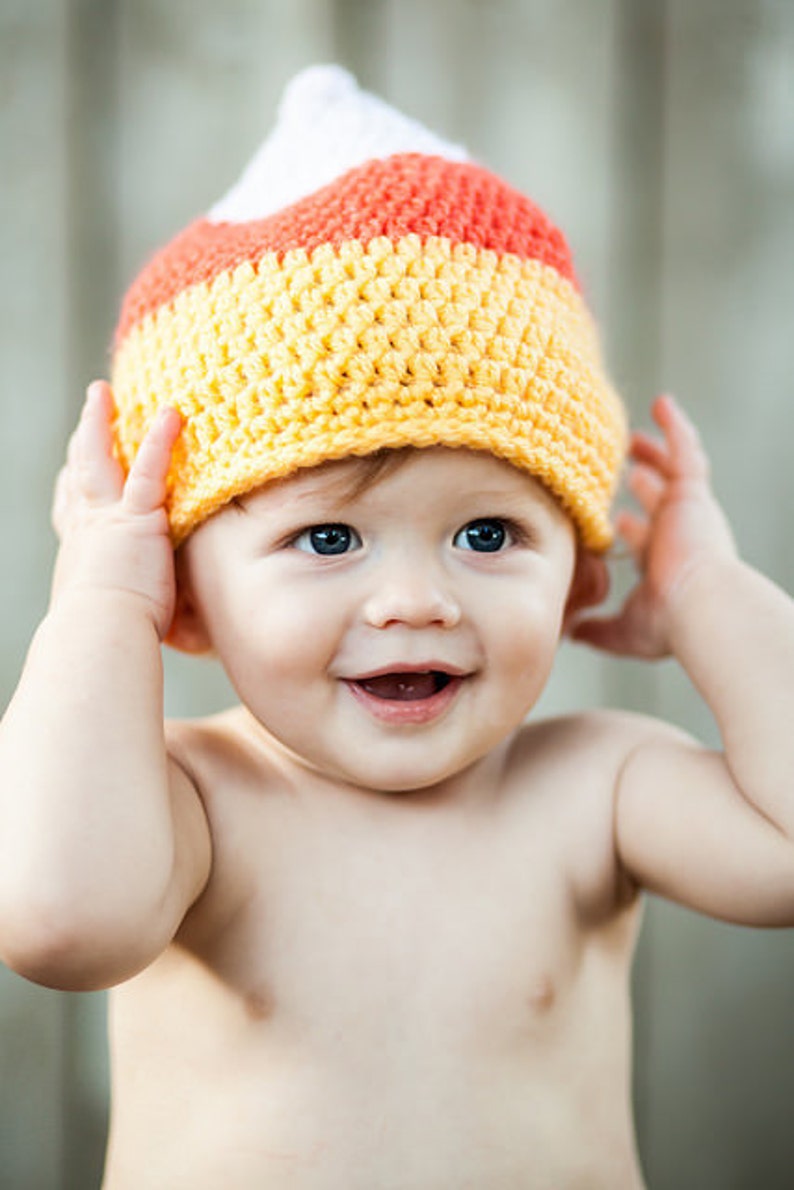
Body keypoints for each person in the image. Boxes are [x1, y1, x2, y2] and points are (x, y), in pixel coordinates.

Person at [1, 65, 793, 1189]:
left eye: (486, 533)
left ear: (576, 578)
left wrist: (709, 593)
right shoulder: (188, 800)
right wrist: (99, 600)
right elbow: (56, 922)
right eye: (329, 541)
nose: (416, 599)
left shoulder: (595, 789)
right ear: (183, 596)